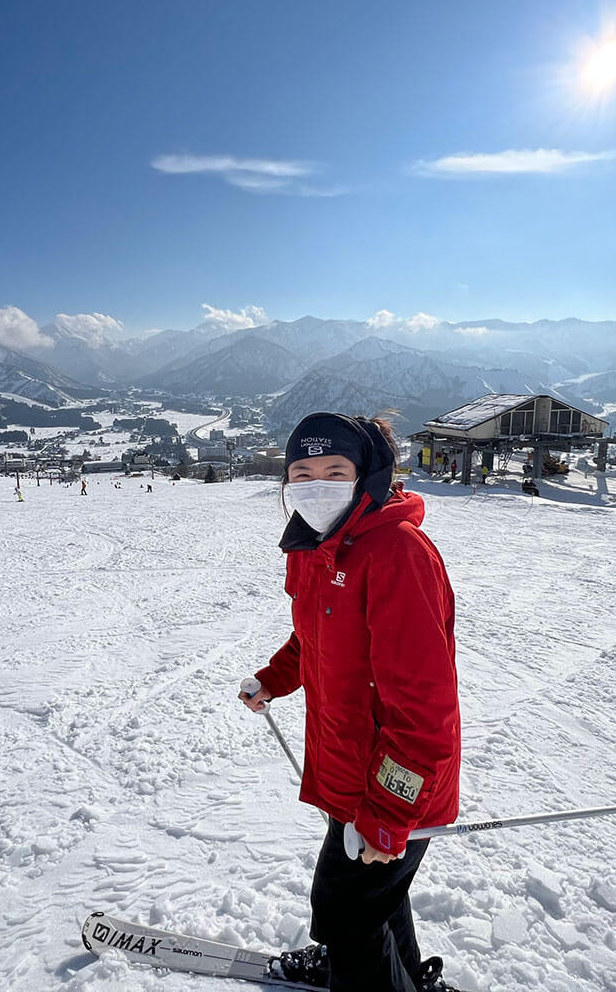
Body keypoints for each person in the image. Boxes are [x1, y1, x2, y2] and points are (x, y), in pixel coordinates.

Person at [239, 413, 460, 992]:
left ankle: (358, 971)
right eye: (302, 472)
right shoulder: (315, 544)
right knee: (374, 900)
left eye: (335, 471)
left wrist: (388, 814)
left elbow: (423, 711)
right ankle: (406, 976)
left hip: (394, 785)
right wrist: (275, 679)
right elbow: (316, 635)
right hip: (348, 771)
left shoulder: (396, 553)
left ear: (369, 476)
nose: (316, 485)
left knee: (342, 913)